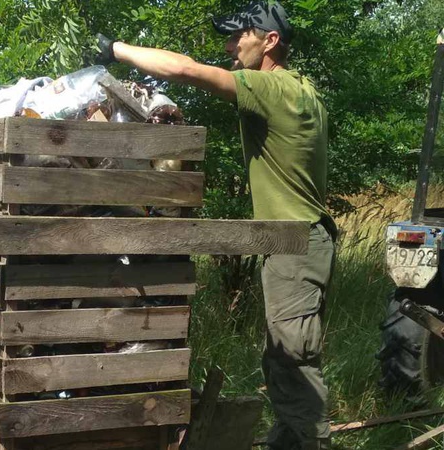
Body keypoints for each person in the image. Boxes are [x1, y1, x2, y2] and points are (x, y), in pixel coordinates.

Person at [96, 2, 336, 449]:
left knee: (294, 362)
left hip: (296, 244)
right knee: (282, 355)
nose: (229, 46)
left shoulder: (273, 88)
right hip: (299, 242)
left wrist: (116, 48)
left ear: (270, 41)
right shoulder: (303, 89)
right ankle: (291, 440)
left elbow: (185, 71)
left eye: (238, 36)